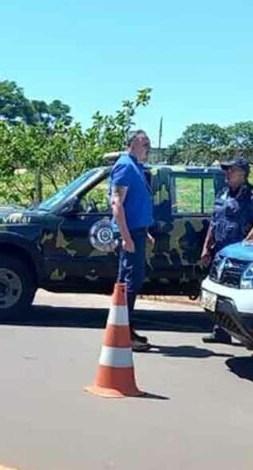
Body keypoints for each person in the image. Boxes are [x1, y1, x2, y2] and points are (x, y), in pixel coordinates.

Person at [200, 157, 253, 344]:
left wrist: (243, 249)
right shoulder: (223, 194)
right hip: (220, 252)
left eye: (232, 170)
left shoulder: (252, 195)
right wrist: (206, 248)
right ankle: (220, 331)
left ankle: (246, 334)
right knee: (217, 293)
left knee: (235, 295)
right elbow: (214, 224)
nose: (227, 173)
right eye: (226, 170)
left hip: (240, 255)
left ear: (243, 173)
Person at [110, 130, 155, 351]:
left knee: (130, 282)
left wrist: (143, 232)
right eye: (144, 143)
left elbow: (134, 205)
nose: (147, 147)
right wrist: (127, 237)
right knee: (130, 282)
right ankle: (123, 333)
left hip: (137, 231)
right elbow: (117, 204)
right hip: (129, 234)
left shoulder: (135, 166)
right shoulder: (125, 166)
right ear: (132, 144)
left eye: (148, 144)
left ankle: (124, 329)